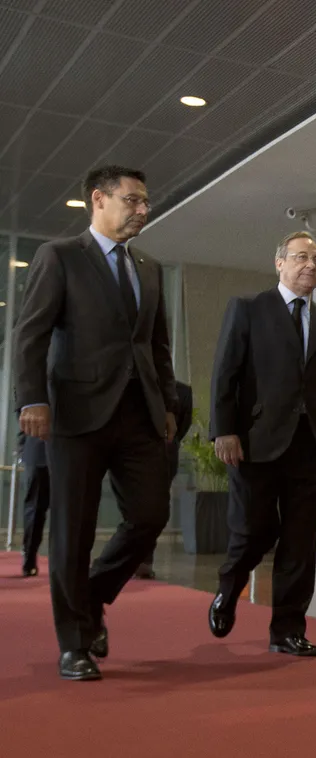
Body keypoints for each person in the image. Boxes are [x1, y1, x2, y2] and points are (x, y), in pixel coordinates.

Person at [13, 165, 178, 681]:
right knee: (73, 530)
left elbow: (157, 347)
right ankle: (75, 643)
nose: (143, 210)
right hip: (77, 415)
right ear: (98, 200)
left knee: (149, 515)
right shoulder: (60, 256)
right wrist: (32, 399)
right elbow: (30, 334)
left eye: (146, 201)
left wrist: (168, 406)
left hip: (139, 415)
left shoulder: (149, 268)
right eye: (132, 200)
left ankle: (92, 596)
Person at [207, 231, 316, 657]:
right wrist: (224, 429)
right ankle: (229, 588)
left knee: (300, 541)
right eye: (301, 257)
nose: (310, 265)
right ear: (279, 263)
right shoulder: (249, 309)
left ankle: (287, 629)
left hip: (312, 447)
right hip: (256, 443)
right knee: (253, 529)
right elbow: (224, 374)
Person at [132, 380, 193, 579]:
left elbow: (181, 427)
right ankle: (135, 558)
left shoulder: (183, 392)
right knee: (137, 508)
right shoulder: (136, 386)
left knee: (155, 509)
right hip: (134, 455)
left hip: (165, 457)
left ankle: (145, 560)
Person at [18, 428, 48, 578]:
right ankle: (29, 558)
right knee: (35, 508)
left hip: (70, 451)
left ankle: (69, 563)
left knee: (71, 510)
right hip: (38, 447)